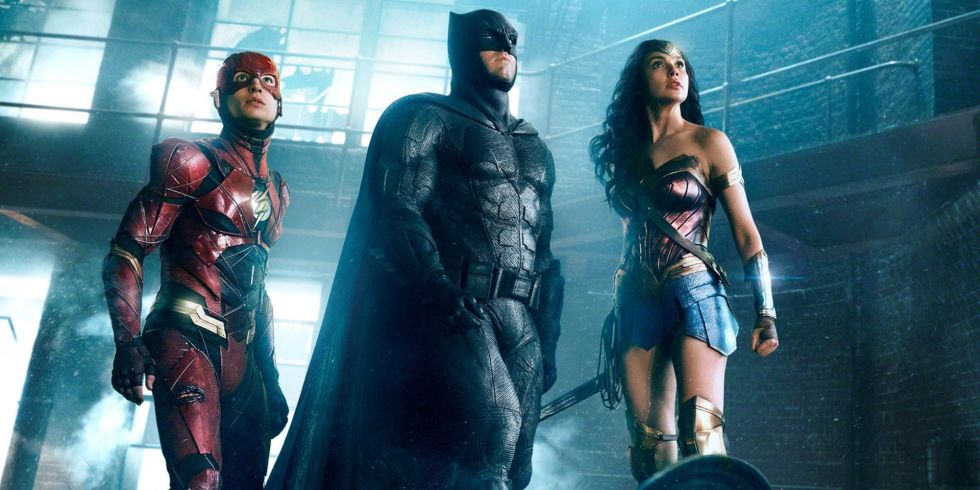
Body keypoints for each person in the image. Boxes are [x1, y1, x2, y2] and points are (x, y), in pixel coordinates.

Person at [266, 9, 562, 490]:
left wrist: (548, 335)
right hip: (458, 305)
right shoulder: (424, 117)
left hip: (520, 313)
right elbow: (397, 207)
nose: (507, 46)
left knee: (518, 464)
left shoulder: (535, 147)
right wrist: (436, 287)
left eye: (512, 38)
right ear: (462, 48)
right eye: (492, 37)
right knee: (497, 429)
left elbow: (543, 247)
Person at [589, 40, 778, 482]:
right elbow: (629, 236)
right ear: (640, 80)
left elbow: (747, 233)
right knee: (648, 448)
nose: (675, 71)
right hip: (635, 300)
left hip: (695, 294)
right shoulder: (627, 155)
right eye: (660, 64)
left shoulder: (709, 143)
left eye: (680, 65)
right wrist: (619, 307)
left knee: (702, 435)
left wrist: (766, 312)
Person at [102, 51, 290, 489]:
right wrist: (127, 341)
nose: (256, 87)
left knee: (246, 484)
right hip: (186, 334)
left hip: (245, 352)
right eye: (242, 80)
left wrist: (271, 376)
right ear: (219, 98)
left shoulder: (278, 190)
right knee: (200, 480)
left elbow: (259, 289)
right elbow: (127, 252)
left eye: (267, 81)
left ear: (280, 103)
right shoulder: (190, 160)